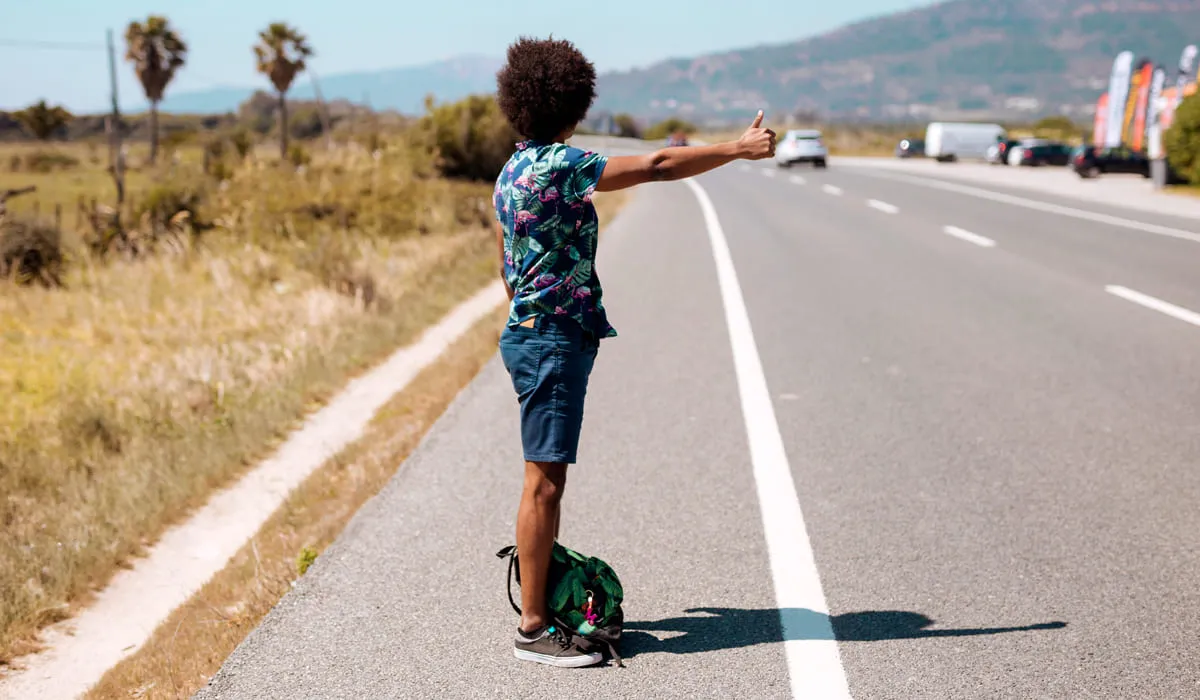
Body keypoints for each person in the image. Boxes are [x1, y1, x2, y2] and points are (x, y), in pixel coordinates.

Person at [493, 36, 776, 668]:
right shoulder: (559, 167)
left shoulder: (512, 171)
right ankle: (534, 627)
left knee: (544, 476)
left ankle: (541, 602)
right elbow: (652, 168)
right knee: (543, 483)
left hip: (527, 333)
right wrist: (736, 148)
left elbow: (508, 270)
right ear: (571, 103)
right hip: (550, 341)